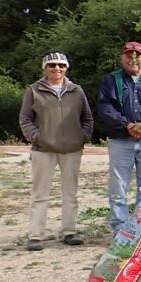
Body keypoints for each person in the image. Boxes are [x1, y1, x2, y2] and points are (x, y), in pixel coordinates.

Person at [19, 50, 94, 250]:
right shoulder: (34, 90)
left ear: (66, 68)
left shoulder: (77, 91)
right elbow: (25, 119)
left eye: (61, 65)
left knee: (70, 193)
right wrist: (36, 137)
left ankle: (69, 232)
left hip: (71, 149)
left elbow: (87, 118)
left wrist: (82, 137)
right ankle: (36, 236)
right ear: (45, 68)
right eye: (52, 65)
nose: (57, 69)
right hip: (43, 150)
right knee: (40, 194)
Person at [96, 41, 141, 233]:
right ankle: (120, 227)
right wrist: (126, 125)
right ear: (122, 58)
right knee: (118, 186)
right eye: (128, 55)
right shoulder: (111, 81)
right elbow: (105, 108)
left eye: (137, 55)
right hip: (121, 140)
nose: (133, 59)